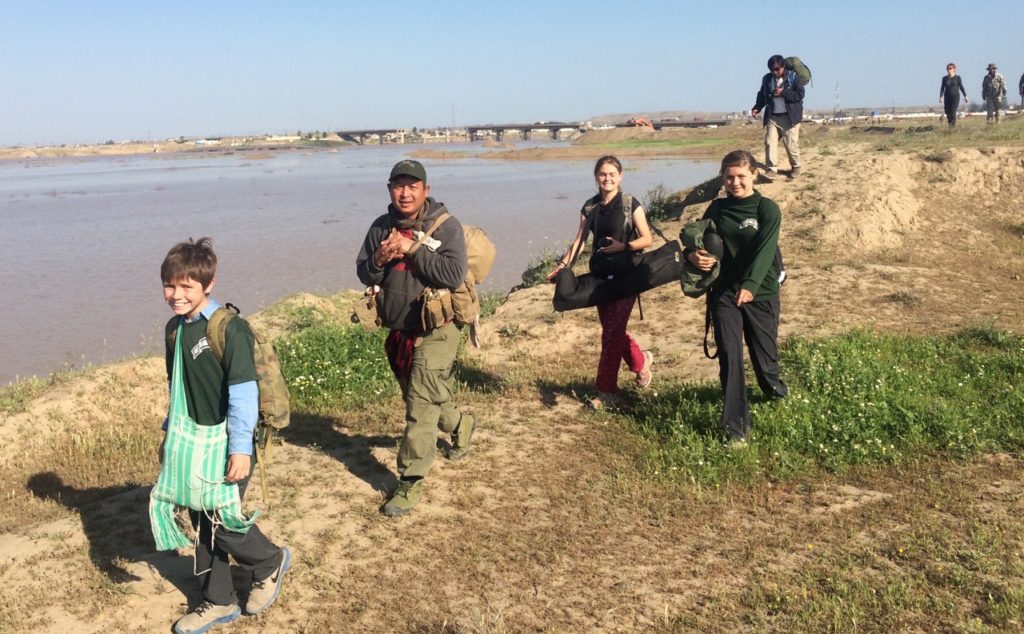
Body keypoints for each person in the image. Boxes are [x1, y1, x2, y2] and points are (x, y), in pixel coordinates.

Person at [155, 237, 291, 634]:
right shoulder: (174, 330)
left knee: (221, 518)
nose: (176, 295)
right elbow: (177, 388)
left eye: (186, 287)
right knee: (200, 519)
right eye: (169, 285)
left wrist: (239, 450)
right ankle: (218, 600)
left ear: (208, 284)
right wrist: (170, 436)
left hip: (230, 440)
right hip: (190, 440)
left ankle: (268, 561)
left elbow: (244, 391)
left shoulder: (229, 329)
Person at [356, 160, 476, 517]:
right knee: (420, 395)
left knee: (419, 406)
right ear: (389, 188)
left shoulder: (445, 225)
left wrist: (412, 249)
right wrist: (379, 257)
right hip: (400, 329)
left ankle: (411, 479)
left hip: (439, 327)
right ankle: (461, 424)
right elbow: (364, 270)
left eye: (412, 186)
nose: (405, 193)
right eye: (398, 186)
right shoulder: (380, 226)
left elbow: (454, 274)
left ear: (425, 189)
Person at [685, 150, 788, 445]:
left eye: (741, 176)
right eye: (729, 177)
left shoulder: (767, 209)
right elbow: (695, 234)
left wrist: (752, 285)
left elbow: (766, 251)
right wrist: (694, 254)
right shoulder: (716, 209)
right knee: (730, 356)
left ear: (754, 174)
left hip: (761, 291)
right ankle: (736, 428)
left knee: (764, 358)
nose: (735, 182)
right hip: (725, 292)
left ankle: (775, 390)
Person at [546, 155, 654, 410]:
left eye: (612, 174)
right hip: (600, 278)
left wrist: (623, 246)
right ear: (596, 177)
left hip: (626, 277)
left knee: (612, 333)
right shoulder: (590, 207)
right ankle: (641, 362)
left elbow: (647, 238)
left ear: (620, 176)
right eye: (602, 174)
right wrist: (563, 266)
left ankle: (607, 392)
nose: (607, 179)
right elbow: (580, 240)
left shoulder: (630, 203)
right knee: (612, 330)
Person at [751, 54, 805, 181]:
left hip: (790, 117)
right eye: (772, 70)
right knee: (770, 142)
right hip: (773, 116)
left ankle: (796, 166)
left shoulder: (793, 77)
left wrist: (783, 93)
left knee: (790, 144)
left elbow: (800, 95)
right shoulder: (767, 79)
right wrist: (757, 107)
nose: (775, 72)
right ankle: (771, 168)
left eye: (777, 69)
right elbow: (762, 95)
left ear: (783, 66)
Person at [939, 63, 968, 128]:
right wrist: (941, 96)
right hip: (947, 97)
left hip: (955, 97)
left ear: (954, 69)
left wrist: (965, 96)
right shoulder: (944, 78)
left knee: (953, 111)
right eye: (947, 69)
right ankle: (950, 124)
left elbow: (961, 87)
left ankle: (952, 127)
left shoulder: (957, 78)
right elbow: (942, 88)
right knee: (947, 111)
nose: (948, 70)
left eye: (950, 68)